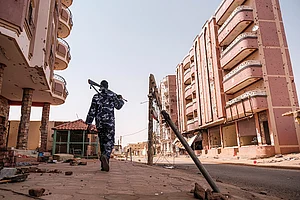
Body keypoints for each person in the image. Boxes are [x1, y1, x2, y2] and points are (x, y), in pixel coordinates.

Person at [86, 80, 124, 171]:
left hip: (99, 123)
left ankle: (104, 166)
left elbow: (92, 110)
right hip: (109, 123)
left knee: (102, 143)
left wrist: (88, 123)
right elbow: (118, 106)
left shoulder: (96, 97)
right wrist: (120, 99)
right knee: (109, 142)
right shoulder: (112, 95)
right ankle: (105, 156)